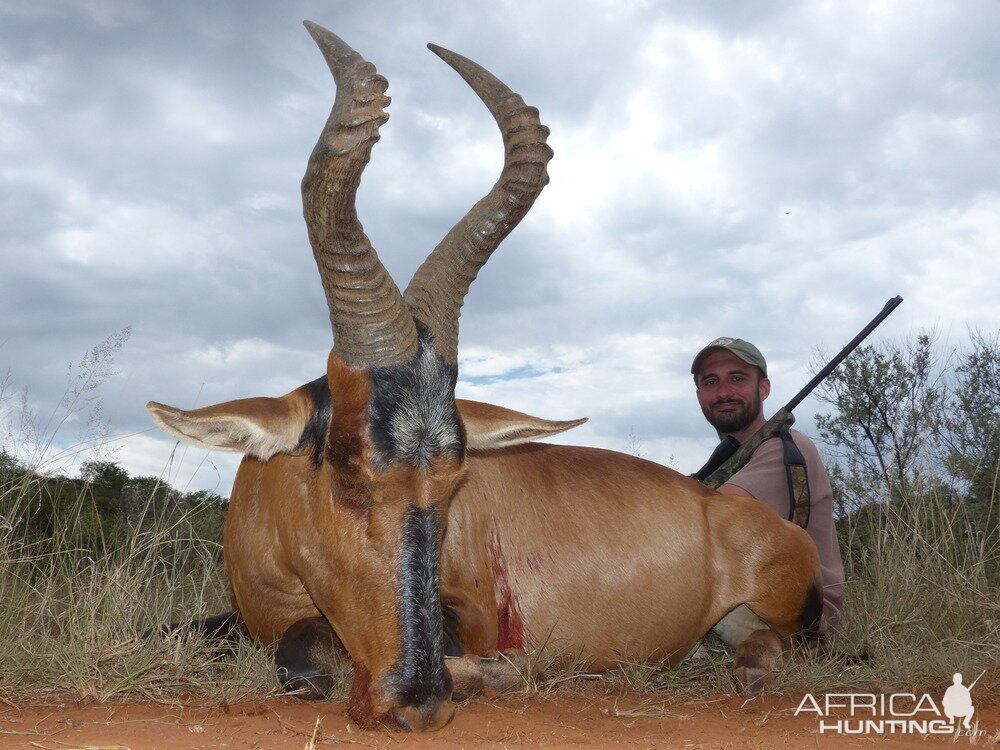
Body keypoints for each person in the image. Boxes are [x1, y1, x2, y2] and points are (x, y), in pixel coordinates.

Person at [691, 337, 845, 634]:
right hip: (748, 592)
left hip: (800, 616)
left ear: (763, 388)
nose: (724, 392)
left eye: (737, 378)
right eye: (711, 382)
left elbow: (709, 519)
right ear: (699, 395)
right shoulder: (730, 460)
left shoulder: (785, 448)